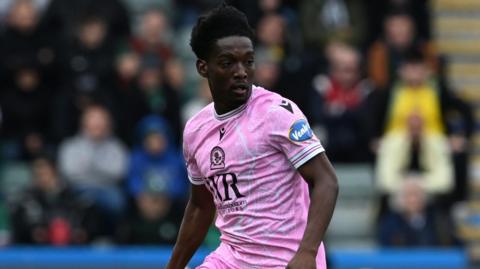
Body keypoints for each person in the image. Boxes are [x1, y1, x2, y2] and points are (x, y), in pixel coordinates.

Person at [166, 4, 338, 269]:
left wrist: (307, 252)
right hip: (230, 258)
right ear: (203, 68)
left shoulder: (276, 113)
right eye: (227, 63)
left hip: (285, 260)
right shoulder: (195, 130)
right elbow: (201, 207)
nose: (241, 71)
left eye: (248, 61)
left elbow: (326, 180)